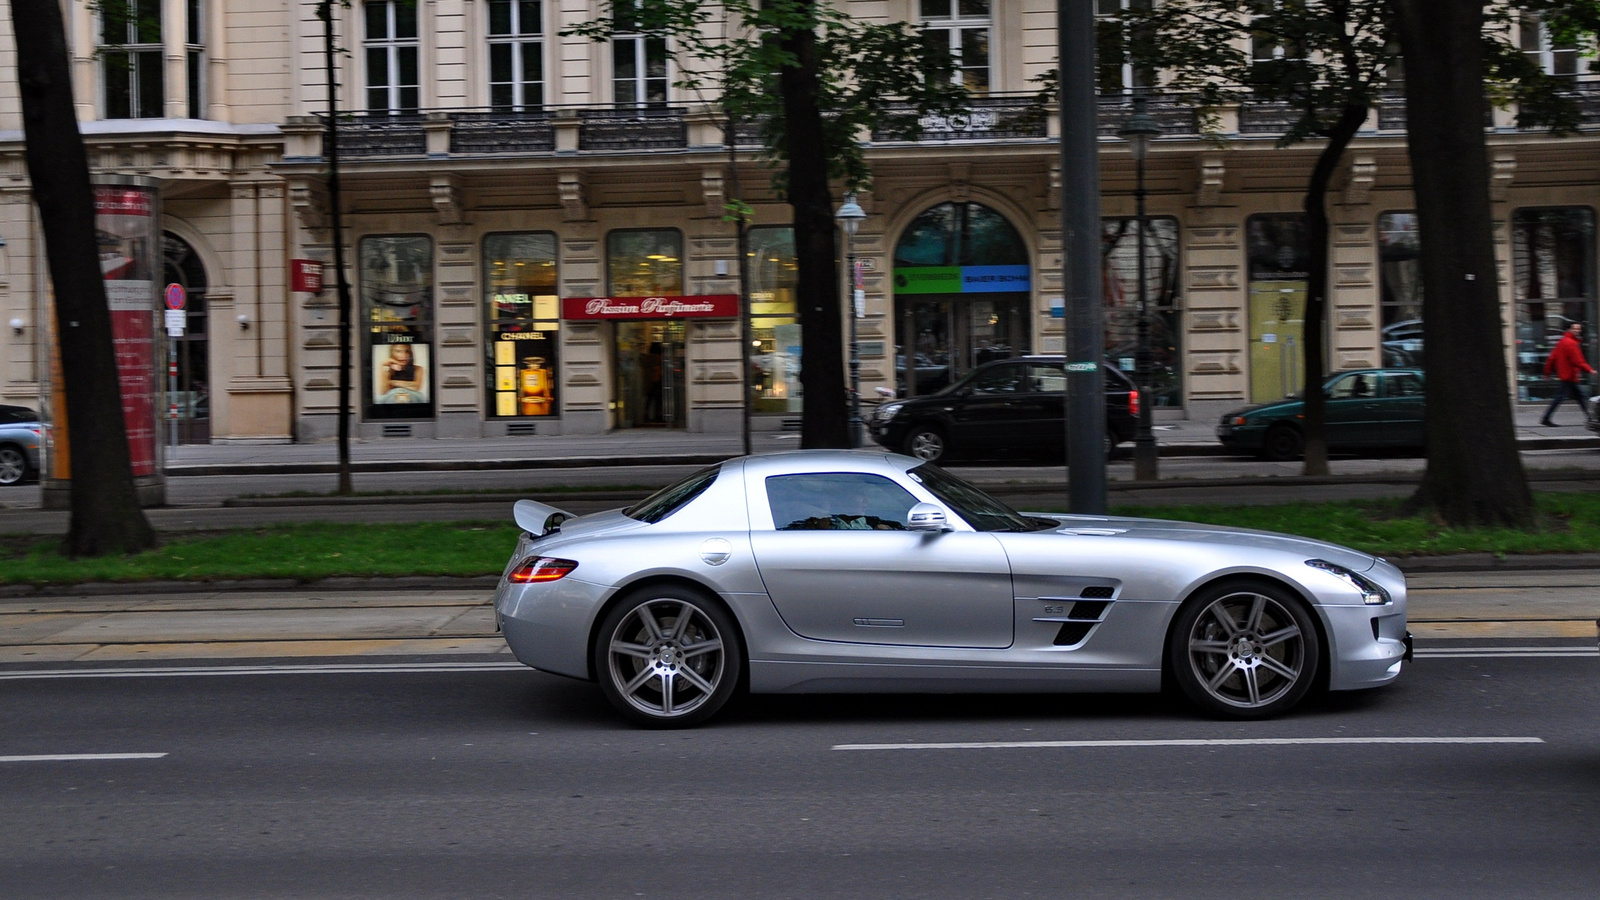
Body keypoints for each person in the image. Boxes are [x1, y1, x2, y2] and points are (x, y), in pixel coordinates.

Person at [1540, 322, 1594, 426]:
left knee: (1579, 397)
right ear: (1569, 329)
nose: (1577, 331)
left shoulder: (1562, 342)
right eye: (1575, 328)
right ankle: (1591, 418)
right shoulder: (1571, 343)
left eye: (1579, 329)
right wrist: (1589, 370)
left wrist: (1547, 372)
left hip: (1567, 376)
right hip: (1570, 376)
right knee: (1571, 397)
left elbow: (1551, 358)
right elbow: (1578, 361)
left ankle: (1591, 418)